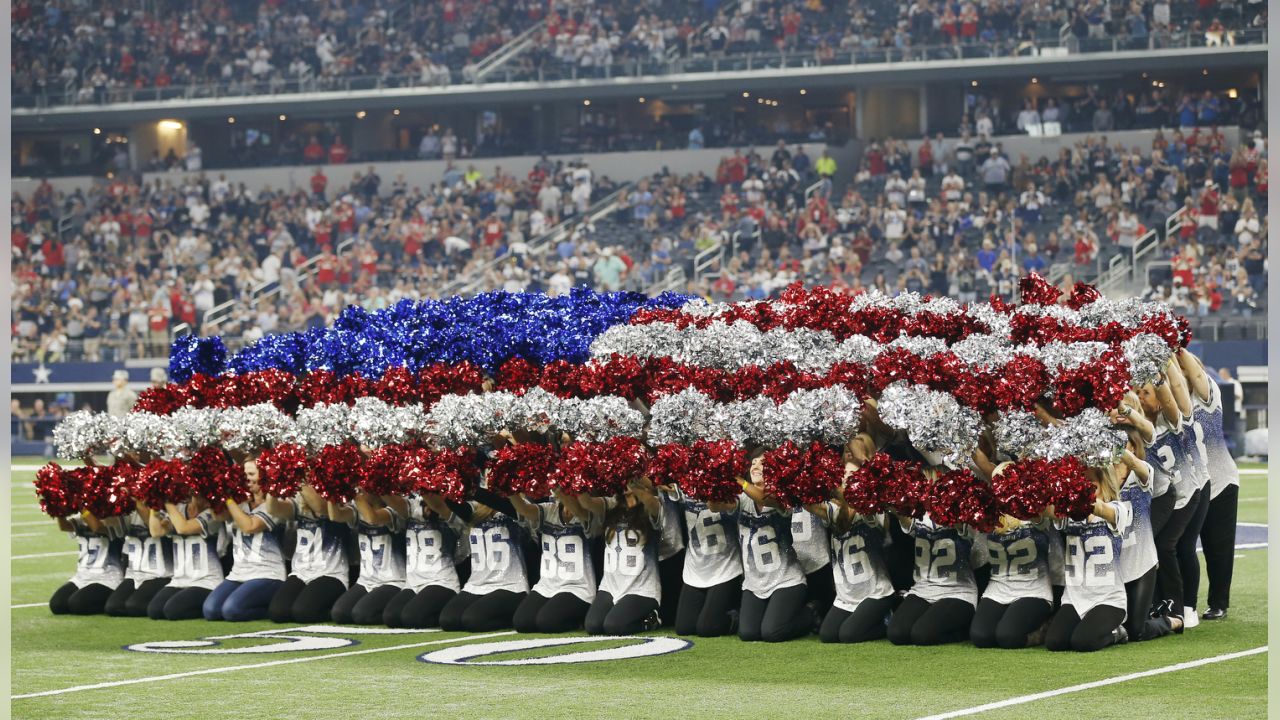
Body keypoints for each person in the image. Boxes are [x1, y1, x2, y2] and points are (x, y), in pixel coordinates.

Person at [709, 453, 811, 643]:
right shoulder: (742, 498)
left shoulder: (782, 497)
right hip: (754, 582)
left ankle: (811, 614)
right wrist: (713, 482)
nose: (755, 466)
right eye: (753, 462)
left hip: (786, 580)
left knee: (772, 632)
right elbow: (714, 506)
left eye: (762, 463)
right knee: (748, 634)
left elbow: (764, 498)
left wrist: (737, 479)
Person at [809, 435, 898, 643]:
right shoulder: (834, 509)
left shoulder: (873, 508)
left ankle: (887, 620)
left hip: (875, 592)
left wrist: (866, 459)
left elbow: (884, 524)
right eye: (845, 473)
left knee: (848, 635)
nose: (847, 476)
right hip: (846, 594)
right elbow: (806, 502)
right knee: (828, 635)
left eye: (853, 473)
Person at [969, 467, 1059, 649]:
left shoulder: (1035, 512)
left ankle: (1042, 631)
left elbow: (1039, 518)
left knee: (1008, 636)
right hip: (998, 587)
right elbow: (978, 553)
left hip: (1034, 590)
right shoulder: (989, 514)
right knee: (981, 637)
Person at [1045, 467, 1132, 652]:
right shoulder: (1070, 514)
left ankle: (1117, 632)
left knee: (1083, 642)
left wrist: (1075, 494)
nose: (1084, 489)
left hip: (1108, 599)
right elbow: (1048, 510)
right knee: (1055, 642)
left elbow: (1100, 508)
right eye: (1079, 485)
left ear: (1104, 484)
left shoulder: (1119, 509)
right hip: (1075, 598)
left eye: (1090, 486)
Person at [436, 484, 531, 632]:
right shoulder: (475, 509)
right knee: (449, 620)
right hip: (477, 583)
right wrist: (440, 481)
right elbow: (449, 501)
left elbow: (498, 502)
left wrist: (472, 487)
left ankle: (515, 612)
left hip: (510, 585)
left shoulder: (520, 508)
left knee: (473, 620)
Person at [887, 499, 983, 646]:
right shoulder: (917, 503)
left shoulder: (962, 501)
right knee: (897, 634)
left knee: (922, 635)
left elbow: (968, 534)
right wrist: (889, 500)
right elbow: (907, 523)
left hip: (958, 592)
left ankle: (964, 630)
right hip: (923, 589)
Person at [578, 477, 666, 636]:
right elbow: (586, 503)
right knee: (593, 626)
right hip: (610, 585)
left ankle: (651, 618)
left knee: (614, 626)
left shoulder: (651, 505)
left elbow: (652, 505)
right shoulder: (611, 505)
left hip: (641, 588)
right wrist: (577, 478)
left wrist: (635, 483)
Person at [203, 460, 288, 621]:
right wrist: (214, 489)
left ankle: (271, 608)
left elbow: (250, 526)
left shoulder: (274, 506)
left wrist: (228, 498)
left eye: (251, 474)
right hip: (239, 573)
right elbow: (219, 516)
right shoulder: (241, 504)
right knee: (211, 611)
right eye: (244, 475)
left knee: (231, 610)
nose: (247, 479)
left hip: (267, 573)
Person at [509, 481, 597, 634]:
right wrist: (508, 488)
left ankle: (581, 616)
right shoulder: (549, 510)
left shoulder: (587, 514)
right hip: (548, 585)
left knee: (547, 622)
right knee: (522, 622)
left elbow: (577, 510)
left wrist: (558, 487)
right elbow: (523, 509)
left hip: (577, 587)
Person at [265, 481, 351, 623]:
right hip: (301, 572)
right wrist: (274, 482)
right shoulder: (298, 506)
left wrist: (298, 477)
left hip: (331, 573)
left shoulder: (335, 503)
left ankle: (333, 610)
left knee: (303, 612)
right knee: (278, 613)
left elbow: (319, 507)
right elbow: (273, 509)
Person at [666, 481, 743, 638]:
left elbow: (726, 506)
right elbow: (667, 487)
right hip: (695, 568)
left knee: (707, 628)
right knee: (684, 628)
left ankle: (739, 615)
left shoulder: (727, 486)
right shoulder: (685, 485)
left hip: (725, 567)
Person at [385, 493, 467, 628]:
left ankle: (446, 606)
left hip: (441, 581)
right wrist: (374, 482)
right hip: (413, 583)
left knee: (411, 617)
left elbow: (438, 505)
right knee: (391, 617)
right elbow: (392, 501)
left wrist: (428, 487)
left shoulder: (449, 512)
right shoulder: (411, 506)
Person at [329, 489, 407, 625]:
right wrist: (330, 490)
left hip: (392, 581)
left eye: (363, 488)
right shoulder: (357, 510)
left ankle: (395, 610)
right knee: (340, 613)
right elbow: (335, 516)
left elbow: (372, 518)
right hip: (366, 581)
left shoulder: (392, 512)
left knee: (362, 614)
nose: (360, 491)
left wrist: (353, 492)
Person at [1199, 363, 1241, 621]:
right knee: (1177, 546)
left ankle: (1219, 602)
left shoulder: (1209, 392)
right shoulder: (1166, 398)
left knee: (1218, 547)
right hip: (1189, 484)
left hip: (1220, 480)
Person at [149, 496, 229, 620]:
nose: (202, 498)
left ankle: (212, 602)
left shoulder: (211, 514)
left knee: (172, 610)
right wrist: (154, 504)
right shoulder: (179, 509)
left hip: (206, 581)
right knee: (155, 610)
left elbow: (183, 528)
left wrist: (166, 500)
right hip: (180, 579)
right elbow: (156, 532)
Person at [49, 507, 125, 615]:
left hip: (107, 578)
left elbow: (97, 527)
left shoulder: (112, 517)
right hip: (82, 577)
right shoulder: (82, 516)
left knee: (77, 604)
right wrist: (58, 508)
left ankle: (113, 598)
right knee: (57, 605)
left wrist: (81, 505)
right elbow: (64, 526)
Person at [105, 497, 172, 617]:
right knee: (113, 606)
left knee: (134, 605)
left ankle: (163, 599)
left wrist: (137, 501)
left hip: (159, 574)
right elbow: (109, 523)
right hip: (135, 573)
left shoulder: (159, 506)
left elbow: (153, 529)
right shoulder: (130, 509)